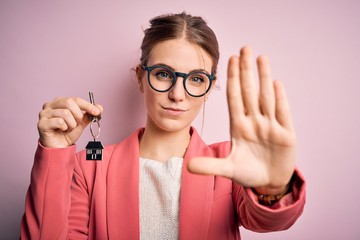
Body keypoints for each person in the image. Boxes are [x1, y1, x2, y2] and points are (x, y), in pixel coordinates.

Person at [20, 12, 306, 239]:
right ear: (140, 78)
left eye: (195, 79)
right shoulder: (89, 168)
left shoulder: (231, 163)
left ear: (209, 88)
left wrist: (274, 188)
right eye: (163, 74)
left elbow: (267, 220)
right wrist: (55, 153)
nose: (178, 94)